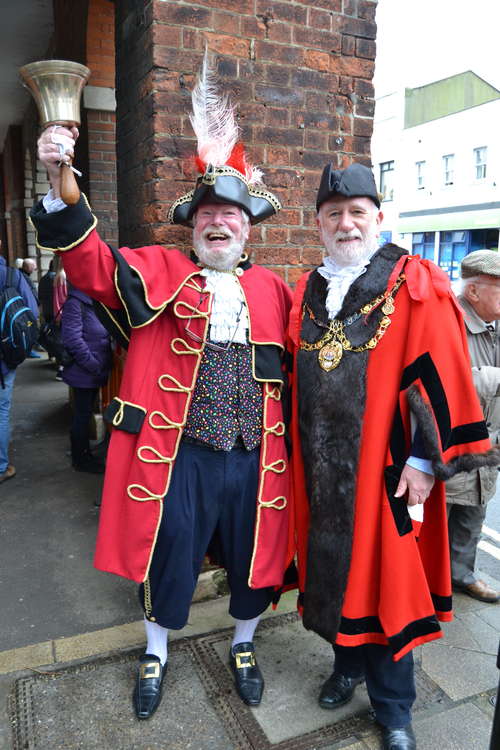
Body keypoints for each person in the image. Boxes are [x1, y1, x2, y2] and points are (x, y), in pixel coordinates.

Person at [31, 55, 292, 721]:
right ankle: (156, 650)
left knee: (254, 556)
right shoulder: (159, 269)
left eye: (231, 215)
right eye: (207, 213)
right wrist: (62, 184)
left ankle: (242, 643)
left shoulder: (274, 291)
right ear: (192, 224)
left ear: (248, 228)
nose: (219, 222)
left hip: (255, 457)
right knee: (169, 554)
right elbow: (93, 268)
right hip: (181, 456)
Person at [287, 163, 499, 750]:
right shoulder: (308, 290)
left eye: (357, 212)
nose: (345, 223)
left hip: (385, 471)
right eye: (333, 214)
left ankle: (395, 707)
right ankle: (346, 665)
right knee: (331, 577)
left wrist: (427, 462)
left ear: (376, 218)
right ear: (320, 224)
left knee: (388, 586)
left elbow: (442, 371)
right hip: (319, 472)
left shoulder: (411, 280)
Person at [446, 250, 500, 603]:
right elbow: (447, 379)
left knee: (474, 509)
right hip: (453, 444)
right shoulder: (448, 322)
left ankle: (461, 573)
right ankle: (427, 586)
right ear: (474, 291)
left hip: (489, 441)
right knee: (440, 514)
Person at [61, 282, 112, 473]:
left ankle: (84, 453)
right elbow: (72, 340)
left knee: (85, 414)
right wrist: (94, 365)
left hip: (94, 371)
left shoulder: (94, 301)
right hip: (84, 371)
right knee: (82, 416)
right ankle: (80, 460)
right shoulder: (75, 303)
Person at [0, 253, 38, 483]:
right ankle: (2, 466)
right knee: (2, 412)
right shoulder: (13, 276)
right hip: (5, 358)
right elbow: (31, 313)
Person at [21, 258, 41, 359]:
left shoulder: (24, 275)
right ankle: (29, 350)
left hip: (29, 309)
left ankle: (30, 349)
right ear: (26, 267)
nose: (34, 268)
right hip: (27, 310)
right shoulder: (23, 276)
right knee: (29, 329)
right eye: (32, 266)